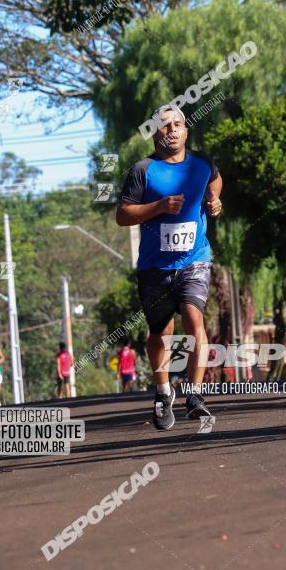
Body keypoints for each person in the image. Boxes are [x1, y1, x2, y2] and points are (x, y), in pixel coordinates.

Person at [116, 104, 223, 430]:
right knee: (161, 334)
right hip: (155, 267)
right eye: (165, 126)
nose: (172, 130)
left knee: (194, 317)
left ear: (186, 130)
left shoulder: (202, 164)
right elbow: (122, 215)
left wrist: (215, 201)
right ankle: (163, 391)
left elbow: (215, 181)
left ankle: (195, 395)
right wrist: (159, 206)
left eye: (178, 124)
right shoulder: (143, 170)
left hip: (195, 259)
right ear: (155, 133)